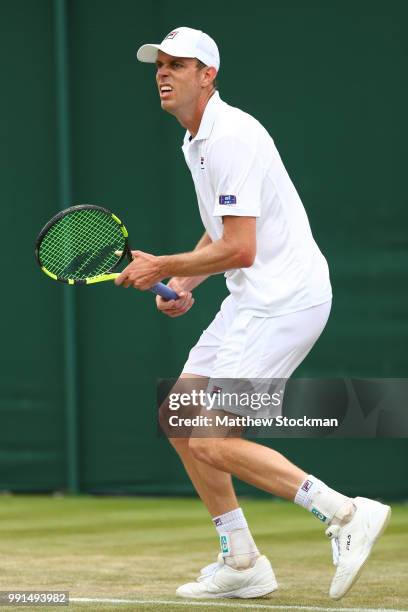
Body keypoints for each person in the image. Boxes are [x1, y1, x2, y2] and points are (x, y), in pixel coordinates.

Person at [115, 26, 391, 600]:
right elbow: (224, 233)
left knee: (212, 438)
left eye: (177, 65)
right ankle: (242, 559)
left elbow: (242, 249)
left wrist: (160, 262)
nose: (163, 74)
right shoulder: (197, 140)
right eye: (158, 65)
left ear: (207, 75)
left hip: (283, 300)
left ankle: (343, 513)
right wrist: (183, 279)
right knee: (179, 414)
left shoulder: (231, 137)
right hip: (253, 297)